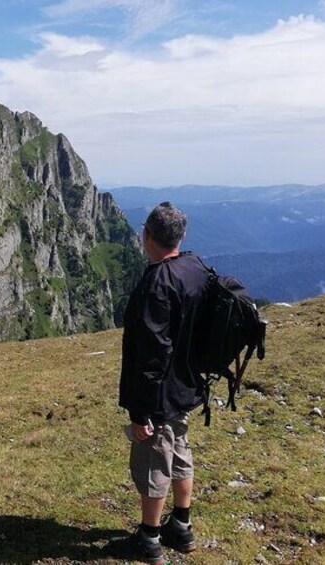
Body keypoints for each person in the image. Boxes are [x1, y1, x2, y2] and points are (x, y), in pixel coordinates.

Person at [115, 201, 210, 564]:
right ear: (180, 236)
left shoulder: (157, 282)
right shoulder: (194, 267)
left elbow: (151, 355)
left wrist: (141, 412)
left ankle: (150, 537)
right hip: (187, 385)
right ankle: (181, 526)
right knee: (181, 452)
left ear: (146, 235)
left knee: (154, 462)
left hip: (159, 395)